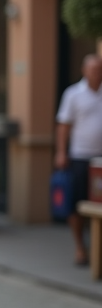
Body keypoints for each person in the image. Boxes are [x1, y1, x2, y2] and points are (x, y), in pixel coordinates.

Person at [56, 54, 102, 266]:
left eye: (99, 69)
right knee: (77, 203)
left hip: (100, 159)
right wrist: (61, 152)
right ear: (84, 71)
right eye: (92, 69)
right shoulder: (73, 94)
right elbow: (63, 125)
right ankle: (80, 248)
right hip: (80, 157)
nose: (96, 73)